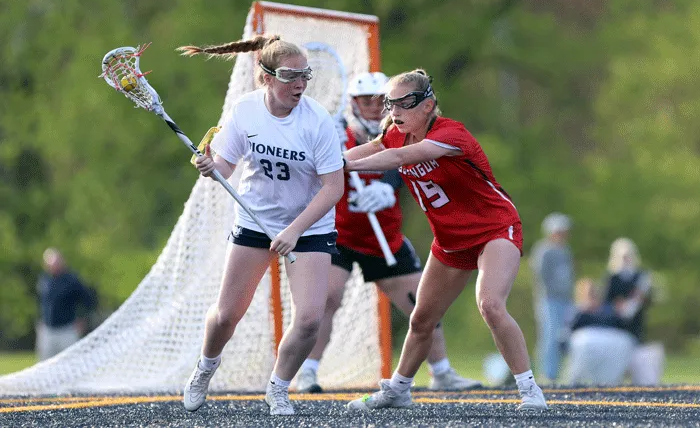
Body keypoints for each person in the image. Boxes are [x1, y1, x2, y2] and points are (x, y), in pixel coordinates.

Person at [343, 69, 548, 411]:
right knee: (422, 319)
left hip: (494, 229)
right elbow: (368, 151)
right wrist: (319, 163)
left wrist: (341, 166)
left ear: (428, 105)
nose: (395, 112)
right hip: (450, 239)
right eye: (390, 104)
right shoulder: (395, 134)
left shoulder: (452, 134)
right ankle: (398, 390)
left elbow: (395, 159)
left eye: (405, 104)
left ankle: (530, 390)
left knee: (490, 304)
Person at [177, 35, 345, 416]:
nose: (299, 85)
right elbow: (224, 167)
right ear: (265, 77)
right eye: (290, 76)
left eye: (305, 76)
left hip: (310, 227)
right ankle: (205, 368)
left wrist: (295, 230)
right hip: (256, 220)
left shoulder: (317, 121)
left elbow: (334, 188)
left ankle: (278, 387)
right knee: (226, 315)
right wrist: (210, 168)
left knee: (309, 320)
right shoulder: (245, 111)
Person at [296, 72, 481, 393]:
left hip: (384, 233)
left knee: (422, 304)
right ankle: (308, 372)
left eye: (378, 101)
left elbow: (404, 159)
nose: (372, 108)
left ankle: (442, 372)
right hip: (339, 233)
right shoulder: (336, 133)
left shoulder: (403, 131)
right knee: (327, 297)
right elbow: (323, 167)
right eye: (364, 101)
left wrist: (386, 185)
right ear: (353, 103)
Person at [603, 237, 664, 385]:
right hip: (617, 325)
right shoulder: (612, 278)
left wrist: (642, 299)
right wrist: (618, 306)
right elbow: (606, 302)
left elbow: (650, 299)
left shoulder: (641, 276)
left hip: (636, 324)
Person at [529, 213, 575, 383]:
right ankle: (547, 373)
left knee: (564, 337)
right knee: (549, 336)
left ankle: (559, 371)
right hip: (549, 300)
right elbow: (541, 276)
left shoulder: (565, 251)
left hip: (565, 300)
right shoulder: (544, 250)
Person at [565, 278, 637, 386]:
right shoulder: (578, 311)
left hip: (610, 342)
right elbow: (568, 330)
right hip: (587, 341)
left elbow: (620, 325)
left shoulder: (608, 310)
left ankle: (612, 381)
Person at [36, 248, 97, 361]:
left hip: (67, 330)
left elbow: (89, 300)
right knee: (44, 364)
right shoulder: (44, 280)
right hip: (48, 330)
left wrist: (82, 319)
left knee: (70, 363)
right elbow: (42, 303)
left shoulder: (72, 280)